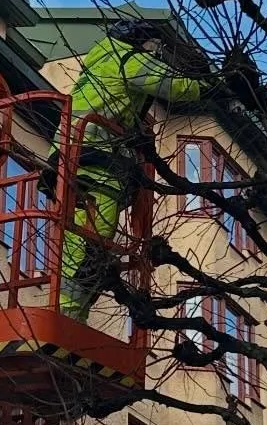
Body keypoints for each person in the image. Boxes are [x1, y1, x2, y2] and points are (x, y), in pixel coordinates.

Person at [41, 18, 213, 320]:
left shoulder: (101, 59)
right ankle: (67, 317)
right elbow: (175, 85)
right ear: (139, 42)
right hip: (96, 163)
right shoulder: (128, 58)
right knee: (91, 245)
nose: (154, 55)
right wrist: (211, 83)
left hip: (71, 158)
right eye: (152, 48)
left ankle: (67, 313)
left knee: (76, 242)